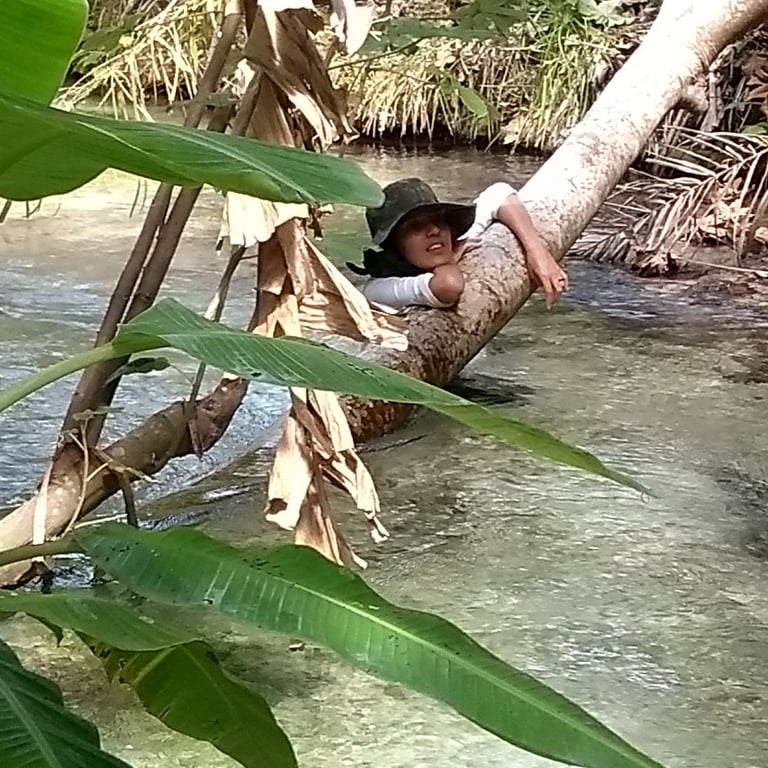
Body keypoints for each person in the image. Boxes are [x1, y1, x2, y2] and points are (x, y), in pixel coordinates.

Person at [347, 177, 568, 310]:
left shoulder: (451, 242)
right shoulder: (377, 290)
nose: (434, 231)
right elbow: (448, 286)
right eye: (415, 227)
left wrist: (538, 254)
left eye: (438, 220)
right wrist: (448, 262)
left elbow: (499, 193)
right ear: (395, 246)